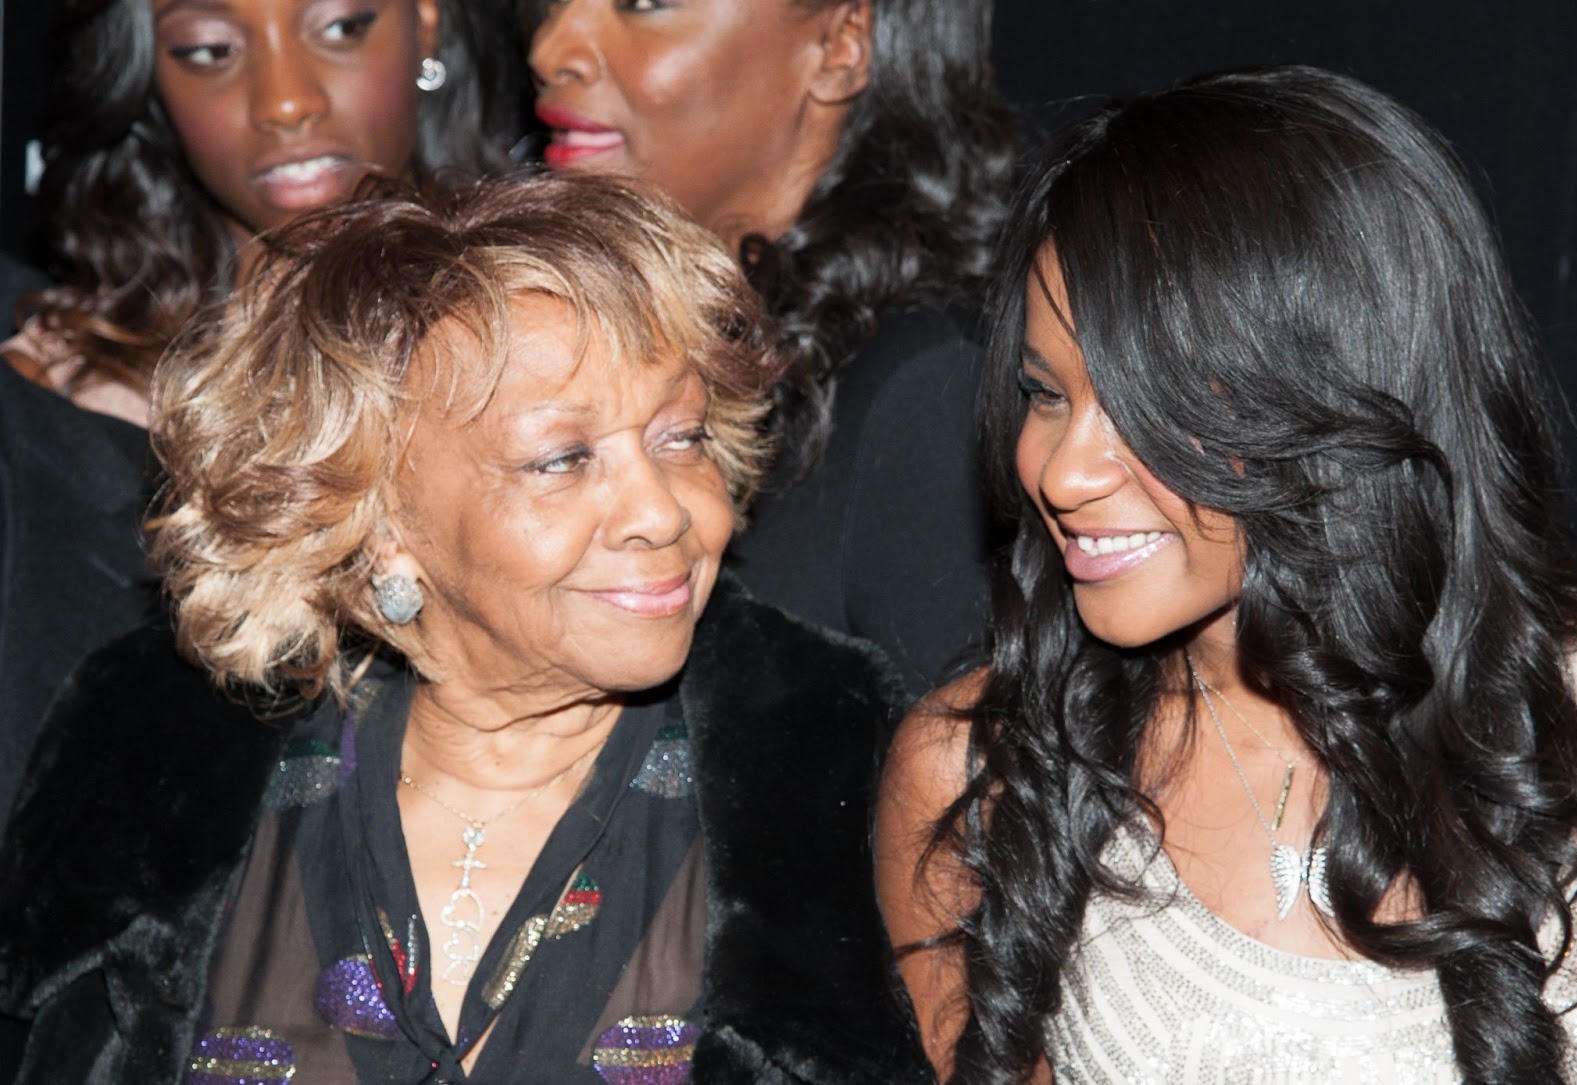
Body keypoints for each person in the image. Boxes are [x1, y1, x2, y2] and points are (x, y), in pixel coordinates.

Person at [0, 173, 934, 1085]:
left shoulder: (842, 774)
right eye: (562, 459)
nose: (663, 510)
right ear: (379, 528)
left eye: (679, 436)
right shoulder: (145, 758)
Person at [875, 65, 1577, 1083]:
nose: (1063, 471)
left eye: (1147, 401)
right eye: (1044, 394)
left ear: (1334, 386)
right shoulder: (981, 777)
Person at [527, 0, 1018, 693]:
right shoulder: (599, 342)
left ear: (840, 45)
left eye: (642, 4)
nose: (551, 50)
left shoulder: (928, 388)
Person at [3, 0, 530, 426]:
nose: (285, 102)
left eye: (341, 27)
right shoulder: (62, 400)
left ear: (426, 21)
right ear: (148, 76)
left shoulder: (553, 333)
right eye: (209, 50)